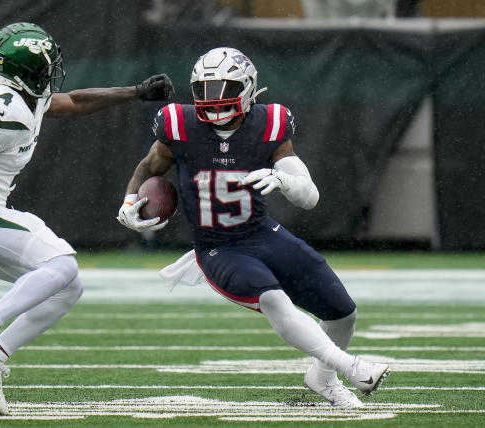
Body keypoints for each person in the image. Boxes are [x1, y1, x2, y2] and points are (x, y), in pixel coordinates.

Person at [117, 47, 389, 407]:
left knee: (343, 312)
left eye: (223, 89)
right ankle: (352, 368)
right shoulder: (178, 125)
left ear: (247, 88)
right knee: (272, 298)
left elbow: (310, 196)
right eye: (205, 90)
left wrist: (285, 180)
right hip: (217, 247)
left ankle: (322, 379)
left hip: (261, 233)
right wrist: (128, 201)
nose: (213, 100)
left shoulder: (269, 122)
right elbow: (149, 167)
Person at [0, 22, 174, 415]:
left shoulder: (23, 95)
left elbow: (76, 102)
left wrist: (134, 92)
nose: (49, 76)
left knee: (68, 286)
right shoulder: (3, 107)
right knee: (61, 262)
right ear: (19, 73)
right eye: (42, 69)